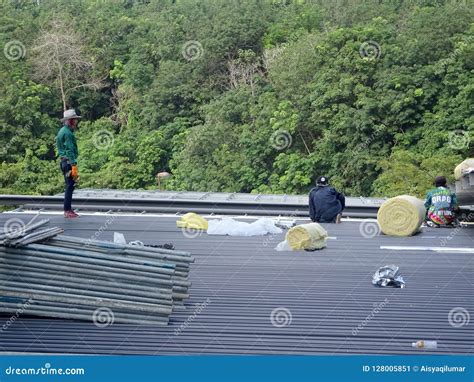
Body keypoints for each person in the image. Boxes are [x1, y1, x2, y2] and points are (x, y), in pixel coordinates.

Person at [55, 109, 81, 218]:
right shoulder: (67, 133)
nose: (76, 122)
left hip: (64, 161)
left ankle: (68, 209)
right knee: (70, 186)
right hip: (68, 162)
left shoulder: (62, 131)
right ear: (69, 121)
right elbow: (69, 150)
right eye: (74, 120)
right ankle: (67, 210)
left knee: (69, 185)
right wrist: (74, 165)